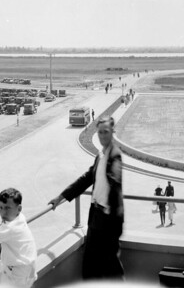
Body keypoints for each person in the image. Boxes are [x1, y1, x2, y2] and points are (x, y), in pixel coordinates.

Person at [49, 117, 125, 280]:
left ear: (113, 132)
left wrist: (112, 220)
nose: (102, 136)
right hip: (96, 217)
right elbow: (86, 179)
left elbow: (114, 182)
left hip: (109, 221)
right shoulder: (100, 155)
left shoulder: (115, 156)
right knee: (90, 265)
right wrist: (60, 197)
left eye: (106, 132)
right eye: (100, 132)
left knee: (112, 269)